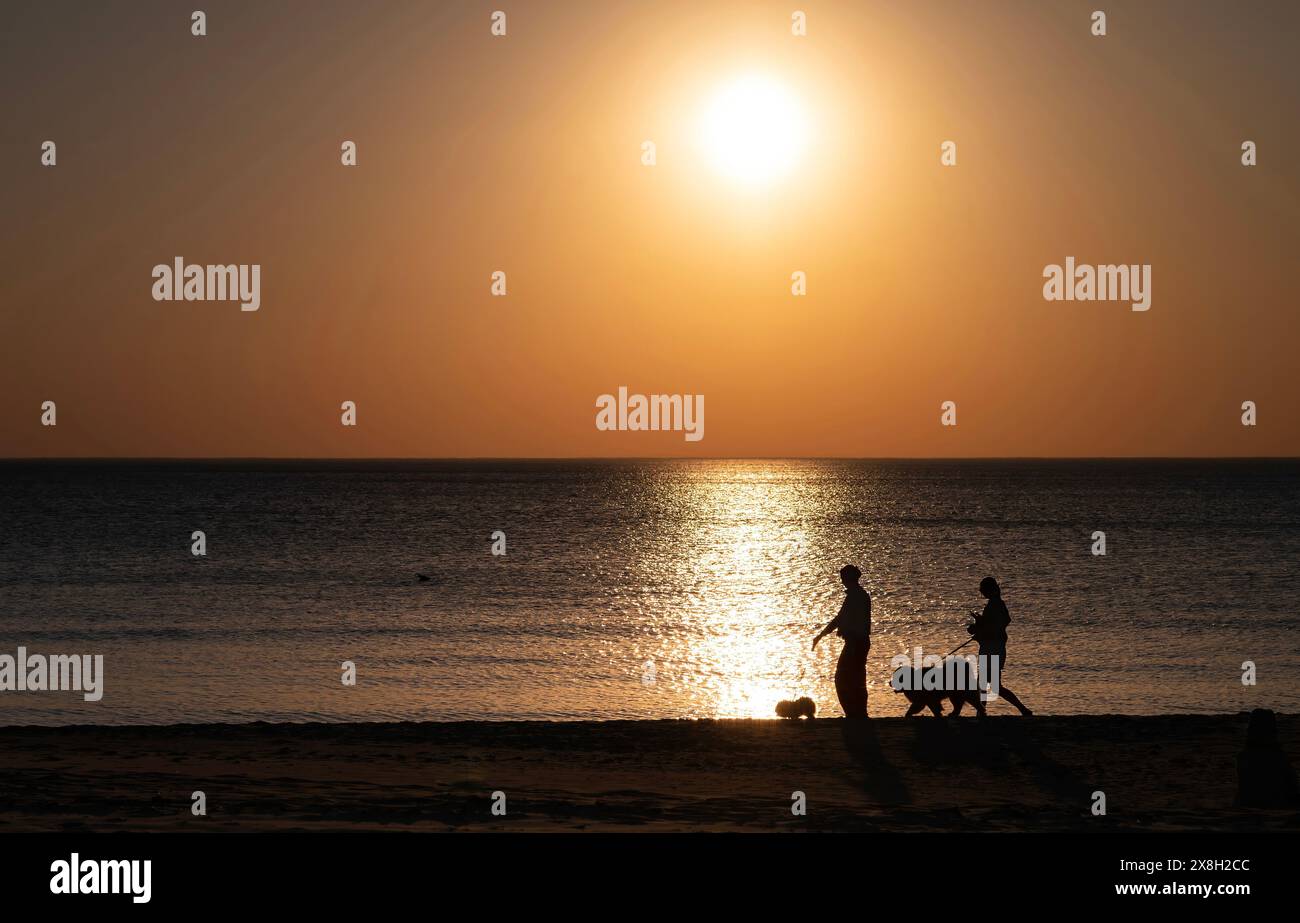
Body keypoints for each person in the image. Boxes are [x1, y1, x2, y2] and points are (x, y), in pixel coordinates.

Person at [812, 564, 871, 718]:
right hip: (859, 642)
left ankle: (853, 713)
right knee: (855, 677)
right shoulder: (859, 595)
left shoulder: (855, 596)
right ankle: (858, 712)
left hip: (856, 643)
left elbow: (840, 619)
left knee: (843, 677)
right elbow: (842, 619)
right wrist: (821, 635)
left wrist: (820, 635)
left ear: (848, 579)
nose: (842, 581)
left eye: (843, 578)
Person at [968, 576, 1032, 716]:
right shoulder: (996, 603)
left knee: (985, 684)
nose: (981, 593)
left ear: (988, 590)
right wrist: (980, 625)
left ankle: (982, 713)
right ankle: (1022, 710)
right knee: (990, 686)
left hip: (992, 650)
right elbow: (1000, 623)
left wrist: (979, 627)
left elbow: (997, 625)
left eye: (982, 590)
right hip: (994, 648)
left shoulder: (995, 604)